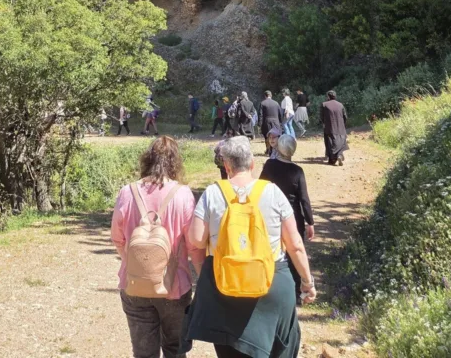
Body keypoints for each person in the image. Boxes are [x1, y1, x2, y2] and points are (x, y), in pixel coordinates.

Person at [181, 136, 316, 358]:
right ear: (253, 164)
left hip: (224, 285)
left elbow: (195, 240)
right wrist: (307, 282)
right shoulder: (272, 192)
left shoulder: (213, 193)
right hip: (271, 282)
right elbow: (296, 245)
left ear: (226, 165)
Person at [111, 136, 205, 358]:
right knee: (175, 350)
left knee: (143, 353)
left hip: (134, 285)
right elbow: (193, 245)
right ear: (175, 162)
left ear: (147, 159)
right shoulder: (182, 194)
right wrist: (202, 279)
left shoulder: (127, 191)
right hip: (174, 287)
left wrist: (135, 264)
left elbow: (117, 239)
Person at [260, 134, 315, 299]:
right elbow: (304, 199)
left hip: (272, 214)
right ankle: (297, 291)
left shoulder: (269, 166)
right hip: (293, 217)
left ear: (278, 148)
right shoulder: (297, 171)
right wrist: (310, 222)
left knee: (273, 250)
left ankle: (271, 285)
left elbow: (260, 187)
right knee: (295, 252)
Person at [320, 90, 348, 166]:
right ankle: (339, 155)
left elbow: (322, 117)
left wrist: (324, 123)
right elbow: (345, 116)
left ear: (328, 97)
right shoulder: (340, 105)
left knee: (330, 143)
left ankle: (333, 159)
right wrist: (343, 125)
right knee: (340, 141)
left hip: (329, 128)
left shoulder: (324, 104)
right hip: (340, 128)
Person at [259, 90, 283, 155]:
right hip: (276, 122)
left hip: (266, 122)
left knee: (267, 137)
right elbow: (280, 114)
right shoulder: (276, 103)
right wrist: (280, 123)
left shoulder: (262, 103)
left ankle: (268, 150)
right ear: (271, 95)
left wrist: (259, 124)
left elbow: (260, 115)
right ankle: (276, 150)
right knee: (276, 136)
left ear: (265, 96)